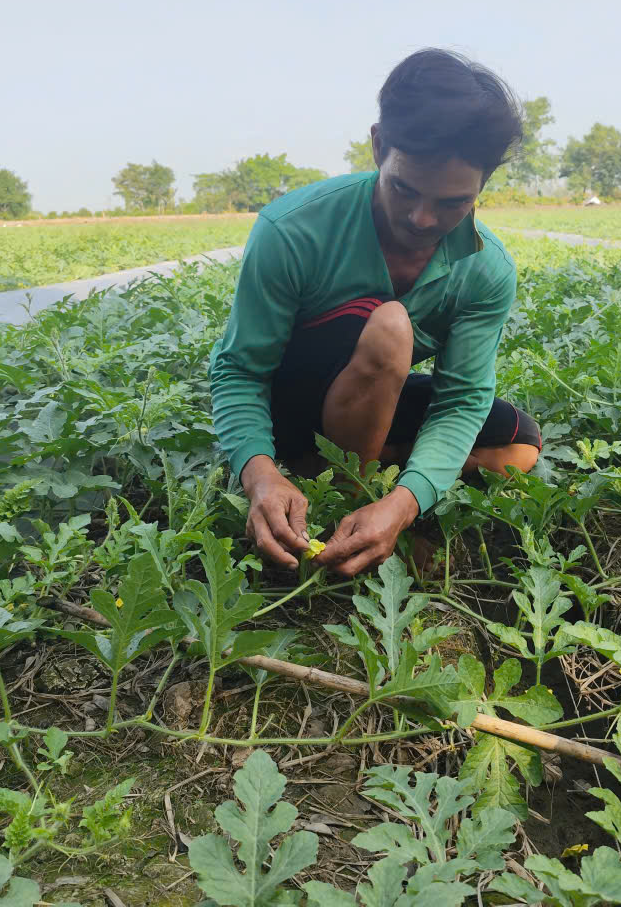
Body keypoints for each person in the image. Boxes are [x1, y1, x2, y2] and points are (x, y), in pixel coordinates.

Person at [209, 48, 541, 577]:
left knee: (519, 444)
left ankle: (361, 485)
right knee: (390, 326)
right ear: (379, 145)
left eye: (453, 202)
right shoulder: (292, 229)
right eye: (404, 189)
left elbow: (461, 401)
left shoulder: (486, 269)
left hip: (367, 403)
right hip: (289, 407)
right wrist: (259, 475)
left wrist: (404, 503)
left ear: (484, 182)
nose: (422, 218)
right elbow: (240, 371)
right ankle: (333, 489)